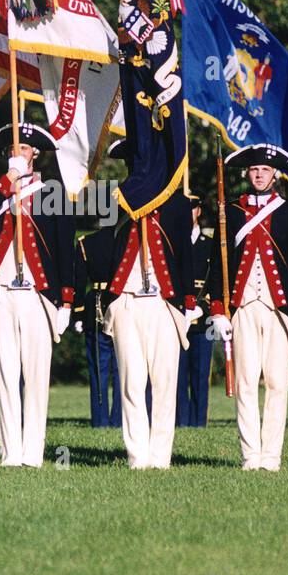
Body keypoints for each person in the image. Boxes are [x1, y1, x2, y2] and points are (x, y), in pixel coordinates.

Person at [0, 122, 75, 467]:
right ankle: (10, 453)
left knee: (35, 376)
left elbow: (65, 249)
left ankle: (33, 453)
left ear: (36, 154)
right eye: (13, 150)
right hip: (0, 291)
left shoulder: (51, 192)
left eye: (25, 149)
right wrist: (8, 182)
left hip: (36, 293)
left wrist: (66, 299)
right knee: (5, 375)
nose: (19, 154)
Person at [207, 144, 288, 471]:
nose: (259, 175)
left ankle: (271, 456)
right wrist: (218, 310)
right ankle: (251, 455)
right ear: (246, 173)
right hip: (243, 306)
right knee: (246, 383)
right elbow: (217, 263)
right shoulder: (231, 210)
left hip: (280, 309)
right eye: (254, 170)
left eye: (265, 170)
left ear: (275, 174)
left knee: (277, 383)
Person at [96, 139, 197, 469]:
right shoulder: (117, 203)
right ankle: (137, 456)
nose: (138, 168)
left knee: (165, 382)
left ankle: (160, 456)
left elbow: (186, 256)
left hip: (164, 302)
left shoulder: (179, 205)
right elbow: (105, 251)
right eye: (132, 163)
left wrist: (189, 302)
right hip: (127, 301)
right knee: (131, 382)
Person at [72, 231, 122, 428]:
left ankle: (100, 421)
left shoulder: (87, 242)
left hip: (96, 305)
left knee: (98, 371)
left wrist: (77, 313)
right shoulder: (125, 239)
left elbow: (79, 280)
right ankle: (119, 420)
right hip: (120, 302)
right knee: (122, 369)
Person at [176, 193, 213, 428]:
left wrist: (203, 306)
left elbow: (216, 281)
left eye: (193, 208)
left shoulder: (209, 246)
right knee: (177, 375)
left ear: (199, 211)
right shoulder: (173, 243)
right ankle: (180, 422)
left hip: (202, 317)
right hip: (178, 316)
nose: (188, 213)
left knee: (200, 375)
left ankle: (199, 423)